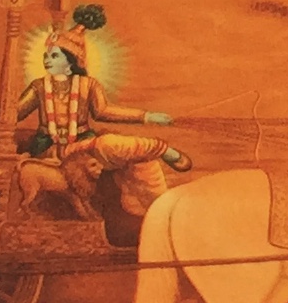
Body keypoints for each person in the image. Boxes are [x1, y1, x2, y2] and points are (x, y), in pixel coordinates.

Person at [14, 29, 185, 231]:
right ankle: (159, 149)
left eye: (54, 56)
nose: (47, 60)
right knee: (108, 144)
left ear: (71, 61)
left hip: (82, 147)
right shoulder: (39, 86)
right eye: (46, 56)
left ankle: (157, 213)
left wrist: (145, 116)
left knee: (139, 160)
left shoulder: (88, 85)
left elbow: (104, 111)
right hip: (50, 150)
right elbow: (13, 113)